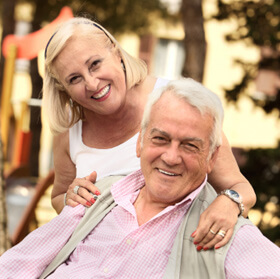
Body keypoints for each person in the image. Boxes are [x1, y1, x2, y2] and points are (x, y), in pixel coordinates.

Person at [1, 78, 279, 279]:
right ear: (140, 143)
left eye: (190, 145)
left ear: (212, 157)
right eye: (160, 139)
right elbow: (16, 265)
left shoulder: (221, 229)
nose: (171, 157)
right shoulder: (95, 197)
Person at [43, 16, 256, 250]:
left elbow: (240, 187)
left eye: (95, 64)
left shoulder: (174, 101)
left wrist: (229, 203)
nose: (92, 83)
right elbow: (59, 197)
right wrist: (70, 198)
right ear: (64, 89)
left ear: (115, 51)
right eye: (75, 78)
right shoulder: (70, 134)